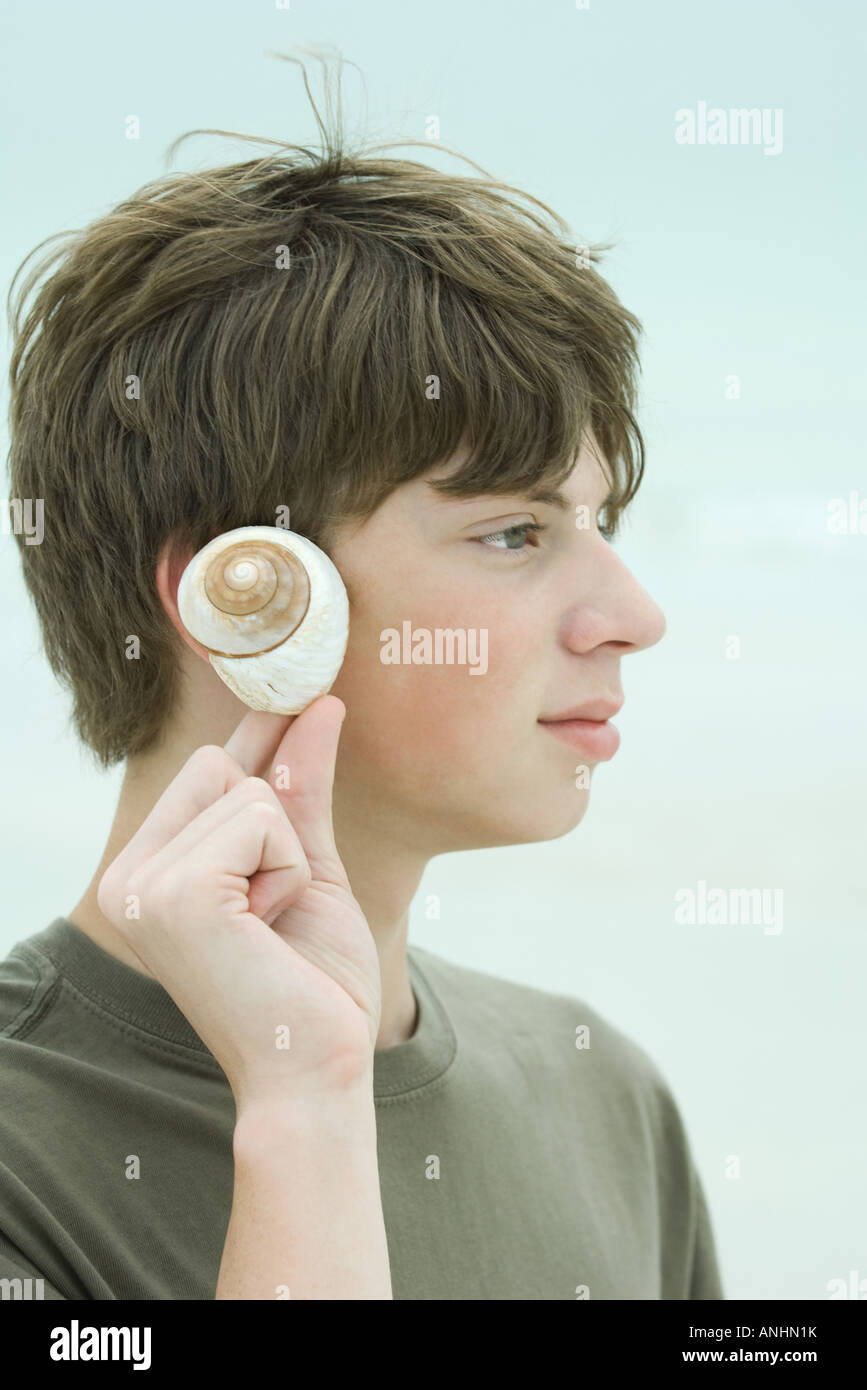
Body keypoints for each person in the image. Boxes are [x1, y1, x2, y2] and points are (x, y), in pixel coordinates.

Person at [0, 57, 723, 1300]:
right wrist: (304, 1109)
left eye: (602, 523)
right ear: (243, 587)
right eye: (515, 532)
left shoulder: (604, 1092)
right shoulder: (29, 1160)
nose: (633, 618)